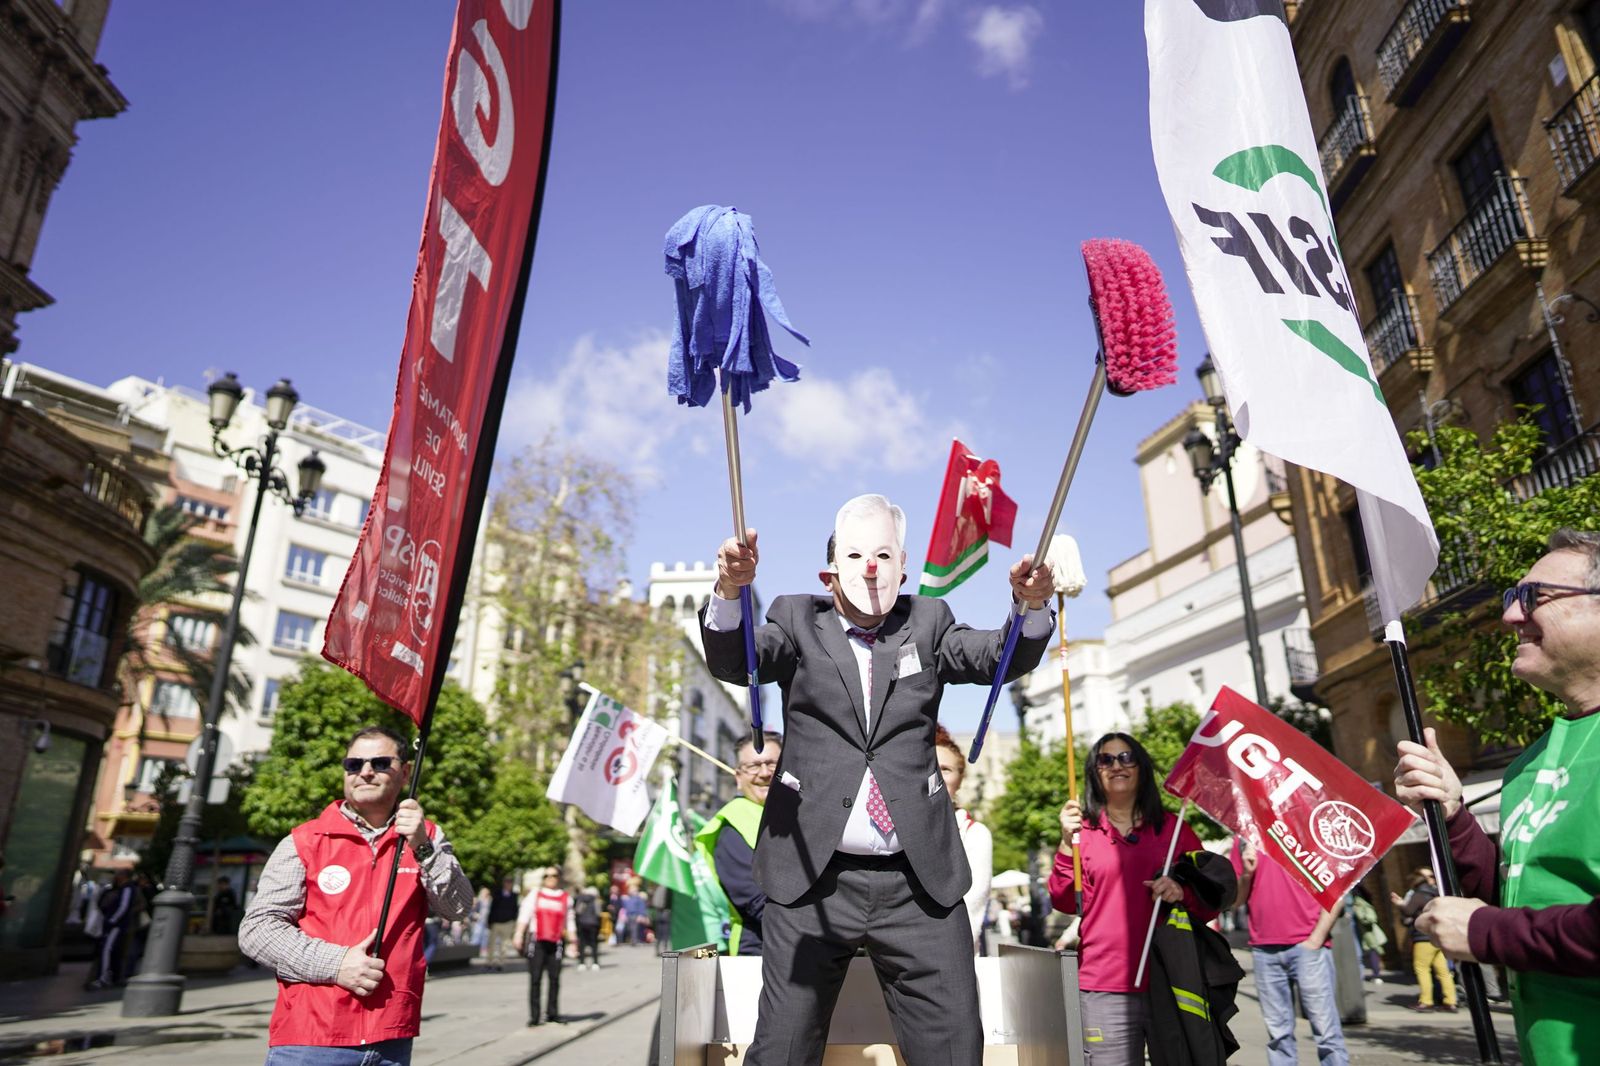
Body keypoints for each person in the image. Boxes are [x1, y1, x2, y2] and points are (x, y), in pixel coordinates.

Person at [702, 493, 1054, 1066]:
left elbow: (997, 657)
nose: (870, 568)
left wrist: (1030, 605)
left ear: (903, 568)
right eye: (856, 555)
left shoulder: (929, 621)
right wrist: (729, 590)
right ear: (830, 571)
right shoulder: (795, 618)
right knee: (784, 1046)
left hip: (918, 883)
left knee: (953, 1048)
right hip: (812, 878)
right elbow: (736, 660)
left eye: (884, 556)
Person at [1393, 528, 1600, 1064]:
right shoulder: (1528, 764)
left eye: (1533, 597)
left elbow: (1503, 925)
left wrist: (1486, 932)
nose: (1509, 615)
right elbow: (1518, 899)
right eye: (1512, 597)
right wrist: (1453, 816)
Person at [238, 725, 474, 1065]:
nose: (365, 772)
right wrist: (336, 964)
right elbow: (257, 930)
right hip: (312, 1039)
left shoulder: (427, 837)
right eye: (353, 764)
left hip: (392, 1039)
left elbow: (458, 908)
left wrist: (423, 848)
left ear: (406, 772)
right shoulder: (305, 841)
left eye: (380, 763)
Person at [1047, 733, 1224, 1063]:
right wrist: (1066, 843)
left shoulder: (1173, 829)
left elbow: (1209, 899)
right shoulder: (1082, 832)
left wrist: (1181, 891)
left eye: (1127, 757)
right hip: (1104, 985)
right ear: (1094, 772)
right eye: (1106, 759)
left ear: (1141, 767)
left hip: (1171, 982)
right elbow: (1065, 901)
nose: (1117, 765)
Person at [1231, 838, 1349, 1066]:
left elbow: (1337, 892)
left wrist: (1316, 938)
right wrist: (1246, 873)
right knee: (1278, 1034)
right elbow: (1236, 901)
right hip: (1264, 948)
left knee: (1326, 1031)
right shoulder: (1245, 837)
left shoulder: (1307, 829)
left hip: (1308, 947)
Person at [696, 732, 782, 955]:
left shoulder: (804, 814)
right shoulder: (731, 828)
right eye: (753, 766)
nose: (764, 773)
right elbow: (758, 904)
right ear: (738, 777)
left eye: (773, 763)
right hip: (759, 953)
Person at [935, 725, 992, 955]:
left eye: (946, 769)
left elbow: (972, 908)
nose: (937, 775)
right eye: (931, 766)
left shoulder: (974, 834)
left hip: (951, 955)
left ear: (960, 779)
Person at [1391, 867, 1456, 1012]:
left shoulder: (1419, 894)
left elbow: (1409, 911)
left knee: (1421, 968)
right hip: (1438, 936)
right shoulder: (1436, 894)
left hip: (1423, 937)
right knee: (1443, 971)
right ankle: (1450, 1001)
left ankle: (1426, 1001)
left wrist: (1400, 904)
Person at [514, 868, 570, 1026]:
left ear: (559, 878)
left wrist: (573, 941)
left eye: (554, 875)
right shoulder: (535, 894)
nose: (550, 878)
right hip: (537, 940)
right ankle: (535, 1016)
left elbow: (569, 920)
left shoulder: (565, 898)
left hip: (556, 941)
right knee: (535, 977)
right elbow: (524, 915)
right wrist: (518, 934)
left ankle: (552, 1013)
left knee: (555, 978)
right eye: (547, 876)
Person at [85, 869, 136, 990]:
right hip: (113, 923)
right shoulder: (121, 888)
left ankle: (104, 977)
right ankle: (109, 976)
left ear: (123, 876)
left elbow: (123, 906)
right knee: (108, 949)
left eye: (118, 875)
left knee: (107, 949)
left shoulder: (127, 888)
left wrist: (113, 920)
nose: (116, 877)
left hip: (116, 924)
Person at [1351, 886, 1386, 983]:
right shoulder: (1365, 900)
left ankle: (1376, 974)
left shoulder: (1358, 902)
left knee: (1372, 950)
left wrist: (1355, 910)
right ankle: (1376, 974)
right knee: (1373, 950)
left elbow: (1366, 918)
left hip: (1366, 930)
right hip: (1367, 930)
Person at [486, 875, 519, 971]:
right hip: (496, 922)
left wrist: (514, 922)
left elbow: (515, 909)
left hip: (508, 923)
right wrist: (490, 921)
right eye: (506, 882)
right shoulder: (497, 894)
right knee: (491, 943)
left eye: (510, 882)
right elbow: (492, 908)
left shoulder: (514, 895)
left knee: (504, 945)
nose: (508, 884)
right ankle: (489, 961)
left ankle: (501, 962)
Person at [573, 886, 602, 969]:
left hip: (582, 923)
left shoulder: (581, 899)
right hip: (593, 924)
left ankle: (581, 963)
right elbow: (598, 913)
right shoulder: (596, 901)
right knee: (594, 944)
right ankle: (595, 963)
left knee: (582, 944)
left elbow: (578, 911)